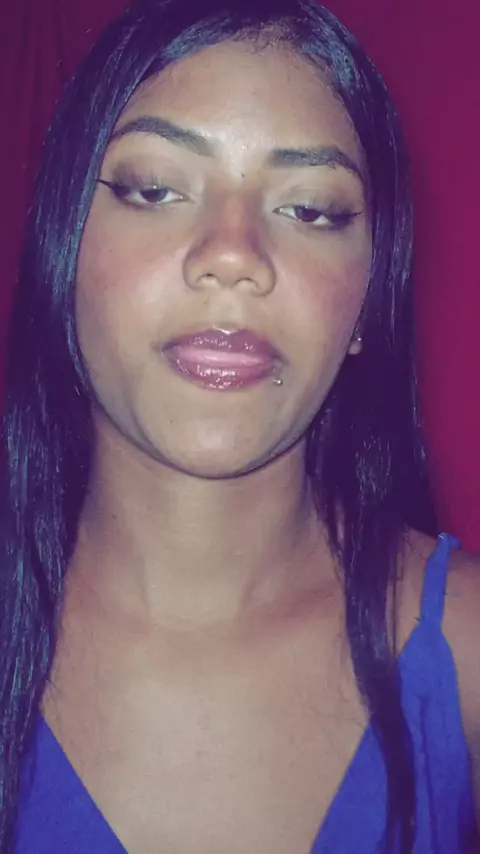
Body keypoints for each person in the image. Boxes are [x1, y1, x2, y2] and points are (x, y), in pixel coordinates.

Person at [1, 0, 479, 851]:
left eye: (310, 210)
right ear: (63, 248)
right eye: (156, 190)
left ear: (368, 298)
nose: (233, 255)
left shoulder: (467, 655)